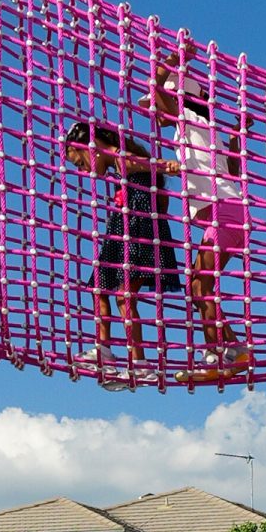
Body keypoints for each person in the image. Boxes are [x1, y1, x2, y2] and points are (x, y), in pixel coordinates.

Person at [148, 55, 253, 378]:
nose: (156, 112)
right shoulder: (208, 131)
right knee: (199, 287)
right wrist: (235, 137)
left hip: (223, 212)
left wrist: (172, 61)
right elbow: (232, 170)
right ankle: (228, 353)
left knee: (198, 286)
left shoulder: (190, 121)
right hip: (232, 213)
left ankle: (227, 353)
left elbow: (153, 86)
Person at [64, 118, 182, 361]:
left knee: (124, 296)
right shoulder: (118, 166)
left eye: (80, 162)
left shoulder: (121, 159)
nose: (82, 170)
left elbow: (149, 164)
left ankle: (138, 360)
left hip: (139, 229)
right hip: (122, 227)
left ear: (90, 147)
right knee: (98, 289)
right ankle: (104, 349)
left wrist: (168, 165)